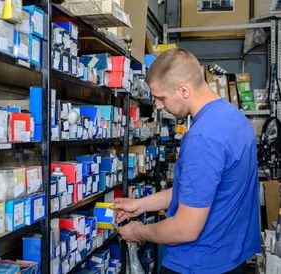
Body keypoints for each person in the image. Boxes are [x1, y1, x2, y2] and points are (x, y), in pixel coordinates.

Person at [112, 48, 261, 273]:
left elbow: (185, 229)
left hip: (198, 263)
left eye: (161, 97)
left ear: (183, 89)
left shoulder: (203, 138)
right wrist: (140, 205)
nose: (159, 106)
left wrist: (140, 231)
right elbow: (199, 191)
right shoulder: (234, 117)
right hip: (231, 258)